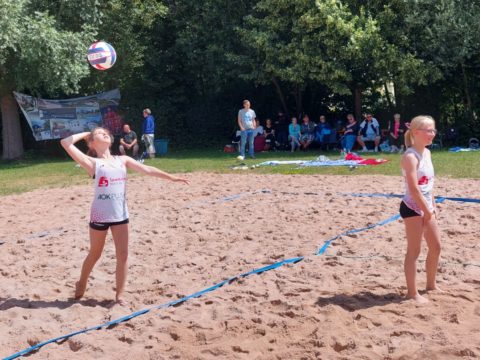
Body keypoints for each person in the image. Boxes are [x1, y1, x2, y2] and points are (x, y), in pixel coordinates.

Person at [60, 128, 189, 305]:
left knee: (123, 254)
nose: (104, 133)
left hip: (120, 214)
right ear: (91, 142)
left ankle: (119, 295)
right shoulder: (92, 163)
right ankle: (82, 281)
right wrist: (86, 133)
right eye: (99, 133)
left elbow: (147, 169)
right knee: (95, 254)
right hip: (99, 215)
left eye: (106, 132)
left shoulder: (123, 160)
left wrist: (171, 178)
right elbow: (65, 143)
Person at [400, 115, 441, 303]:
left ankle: (431, 285)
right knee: (414, 251)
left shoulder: (427, 153)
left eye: (433, 130)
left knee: (436, 247)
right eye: (428, 130)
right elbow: (414, 189)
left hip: (427, 207)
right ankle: (412, 293)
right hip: (412, 208)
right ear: (416, 132)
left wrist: (432, 206)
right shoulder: (410, 156)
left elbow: (428, 185)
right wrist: (425, 210)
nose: (432, 134)